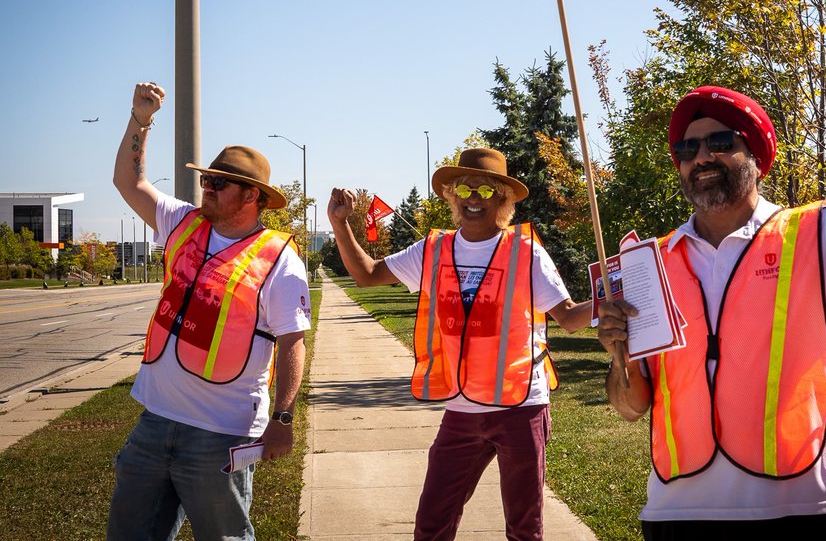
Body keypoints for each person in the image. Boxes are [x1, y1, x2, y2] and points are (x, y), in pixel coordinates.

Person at [596, 56, 826, 540]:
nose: (702, 157)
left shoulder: (823, 231)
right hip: (675, 515)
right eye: (687, 148)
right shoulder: (647, 263)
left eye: (721, 142)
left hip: (798, 509)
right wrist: (618, 356)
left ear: (757, 157)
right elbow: (630, 407)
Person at [327, 147, 592, 541]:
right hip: (462, 408)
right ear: (451, 194)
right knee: (432, 522)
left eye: (486, 191)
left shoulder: (525, 252)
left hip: (520, 407)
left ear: (502, 200)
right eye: (465, 188)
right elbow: (366, 275)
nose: (472, 198)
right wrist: (339, 224)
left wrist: (613, 300)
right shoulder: (433, 250)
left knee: (525, 527)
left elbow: (568, 317)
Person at [109, 82, 311, 541]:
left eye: (219, 183)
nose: (207, 189)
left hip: (222, 434)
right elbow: (129, 182)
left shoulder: (278, 258)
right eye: (206, 180)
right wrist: (141, 120)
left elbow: (292, 340)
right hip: (154, 421)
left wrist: (283, 420)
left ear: (252, 196)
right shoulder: (181, 222)